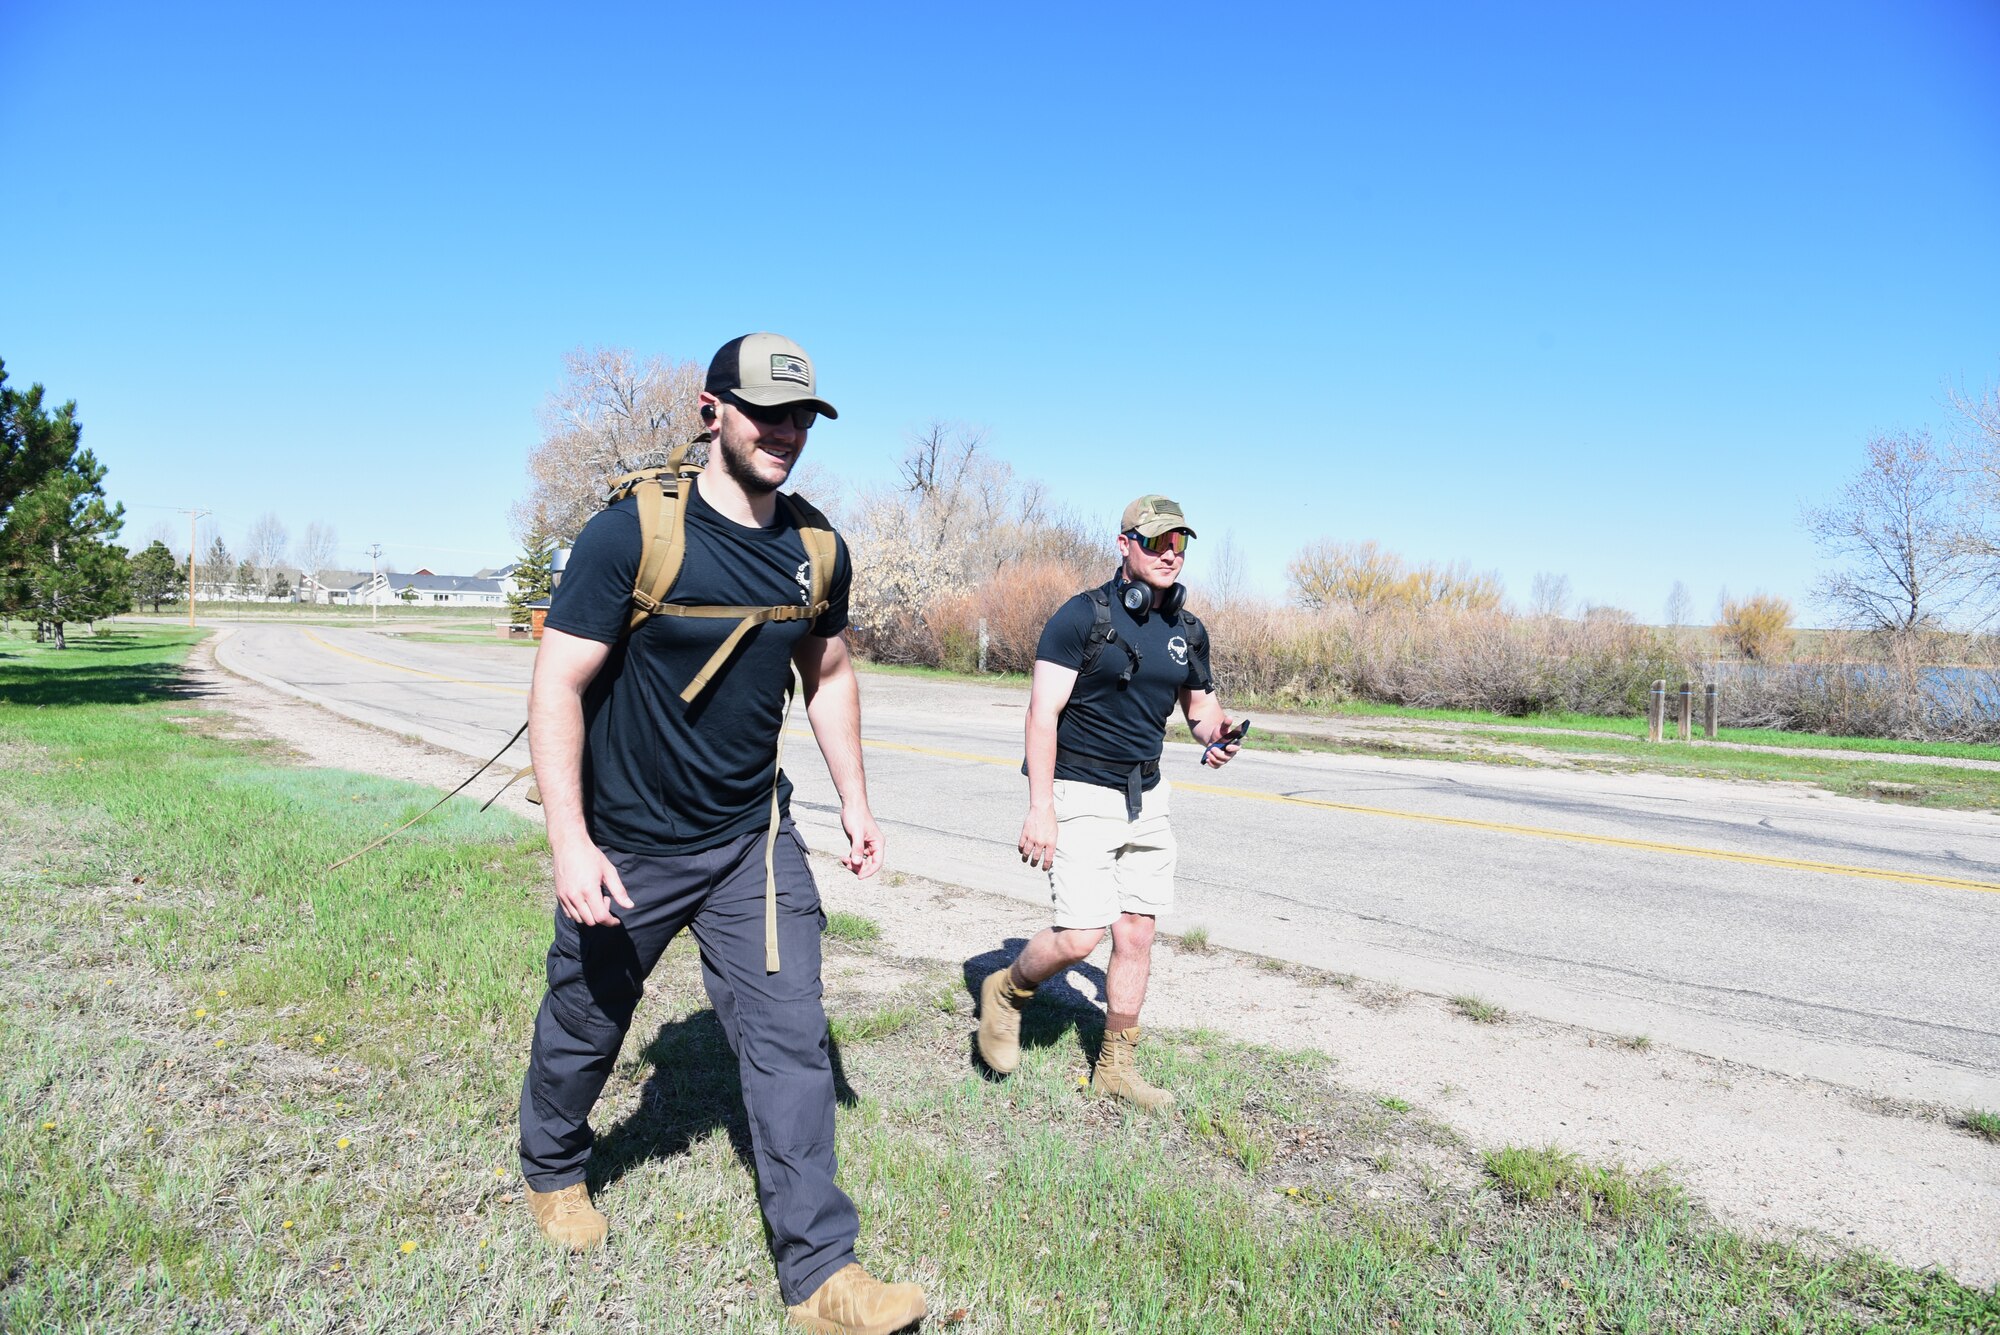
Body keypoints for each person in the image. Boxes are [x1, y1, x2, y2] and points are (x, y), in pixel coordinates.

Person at [517, 333, 926, 1335]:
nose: (784, 433)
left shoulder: (816, 547)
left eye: (799, 418)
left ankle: (822, 1277)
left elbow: (826, 678)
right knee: (587, 1017)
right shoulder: (629, 537)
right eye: (764, 413)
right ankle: (552, 1165)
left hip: (751, 835)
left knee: (790, 1038)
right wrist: (571, 843)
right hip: (629, 840)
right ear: (712, 411)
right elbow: (558, 686)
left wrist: (856, 804)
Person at [975, 495, 1242, 1109]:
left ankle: (1116, 1067)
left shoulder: (1187, 629)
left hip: (1146, 795)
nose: (1169, 556)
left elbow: (1200, 711)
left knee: (1138, 932)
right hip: (1079, 788)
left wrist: (1217, 737)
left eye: (1178, 546)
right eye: (1156, 544)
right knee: (1079, 937)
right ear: (1125, 545)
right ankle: (1009, 990)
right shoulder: (1080, 618)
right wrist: (1040, 806)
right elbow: (1042, 715)